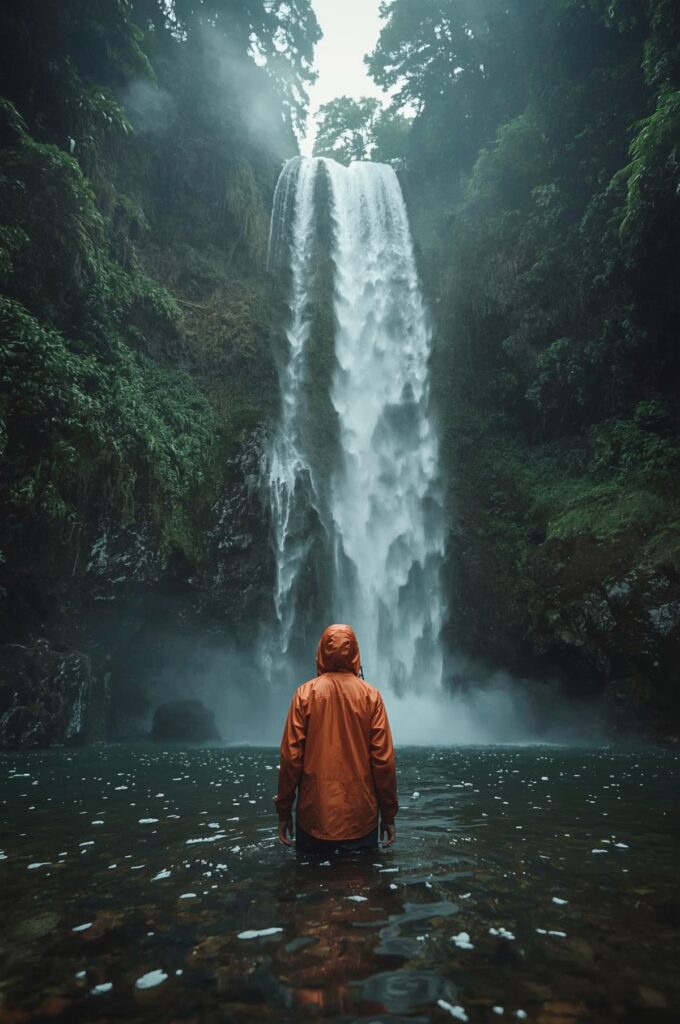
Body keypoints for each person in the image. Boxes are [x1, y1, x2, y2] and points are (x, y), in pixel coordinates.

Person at [274, 623, 398, 854]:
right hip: (361, 816)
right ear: (356, 653)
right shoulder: (371, 697)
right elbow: (383, 761)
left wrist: (284, 811)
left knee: (308, 876)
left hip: (314, 815)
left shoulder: (304, 695)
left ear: (321, 652)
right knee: (362, 875)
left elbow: (291, 759)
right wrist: (389, 815)